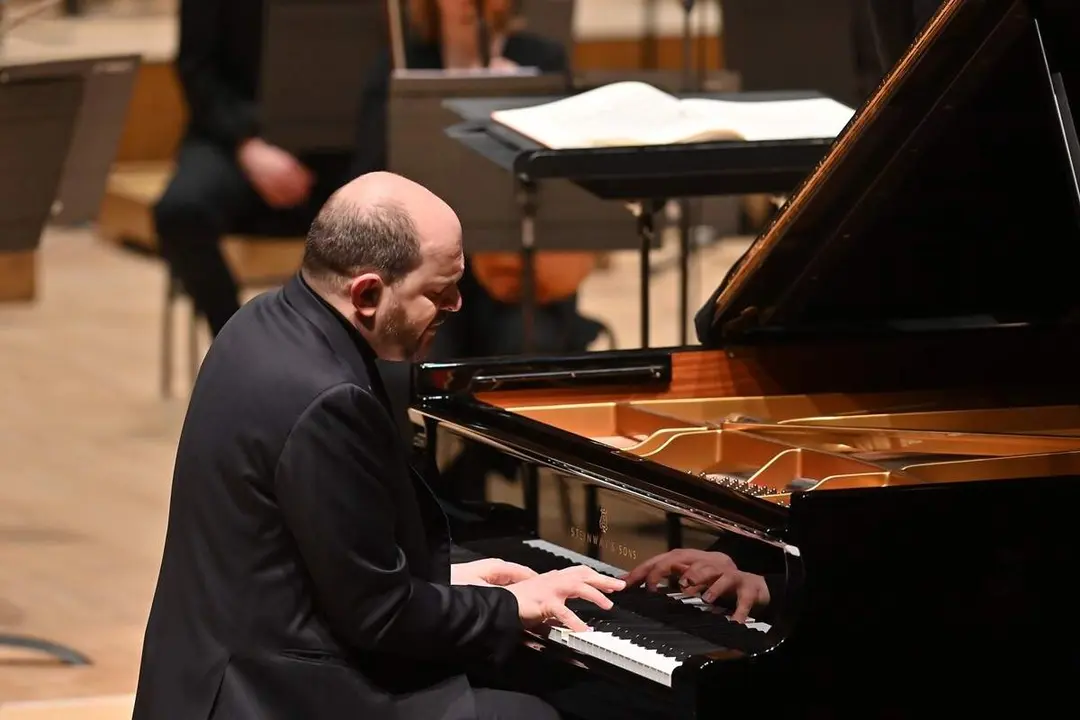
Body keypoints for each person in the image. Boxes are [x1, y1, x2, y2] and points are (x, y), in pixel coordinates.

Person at [130, 171, 625, 720]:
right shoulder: (329, 399)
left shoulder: (260, 322)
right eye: (440, 291)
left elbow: (325, 560)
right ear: (367, 293)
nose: (458, 305)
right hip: (271, 692)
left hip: (214, 669)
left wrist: (449, 579)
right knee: (535, 715)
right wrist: (509, 605)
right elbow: (381, 616)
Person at [351, 0, 598, 360]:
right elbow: (365, 180)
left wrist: (520, 103)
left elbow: (568, 176)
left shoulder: (541, 58)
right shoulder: (400, 65)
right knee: (419, 357)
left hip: (519, 271)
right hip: (425, 272)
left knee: (528, 343)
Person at [155, 0, 355, 337]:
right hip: (233, 140)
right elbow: (196, 68)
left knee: (397, 210)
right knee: (179, 210)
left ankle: (339, 353)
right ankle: (238, 344)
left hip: (335, 145)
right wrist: (247, 144)